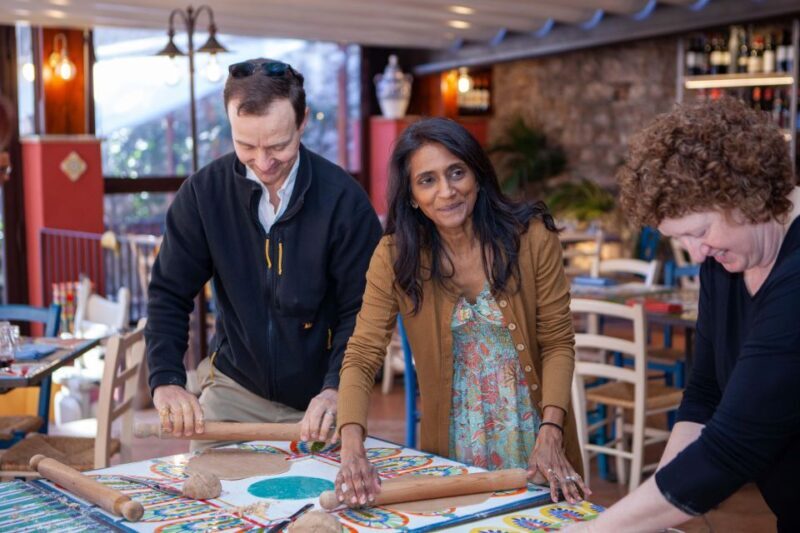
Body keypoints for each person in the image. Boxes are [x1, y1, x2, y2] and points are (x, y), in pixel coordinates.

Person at [566, 97, 800, 532]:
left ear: (745, 195)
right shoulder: (722, 264)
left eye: (700, 231)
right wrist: (663, 510)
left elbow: (731, 449)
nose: (696, 254)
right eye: (680, 240)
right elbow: (705, 394)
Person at [334, 117, 587, 508]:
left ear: (477, 175)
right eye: (427, 180)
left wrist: (552, 430)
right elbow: (363, 353)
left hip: (538, 439)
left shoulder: (532, 237)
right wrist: (352, 447)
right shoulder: (394, 256)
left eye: (456, 172)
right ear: (412, 195)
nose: (447, 191)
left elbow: (557, 342)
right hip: (453, 444)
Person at [146, 58, 382, 450]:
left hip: (321, 402)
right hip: (232, 390)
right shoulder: (203, 194)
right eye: (246, 145)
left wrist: (338, 388)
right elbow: (169, 293)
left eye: (278, 145)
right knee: (207, 488)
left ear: (302, 121)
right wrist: (166, 378)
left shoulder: (344, 201)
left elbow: (361, 311)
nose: (263, 162)